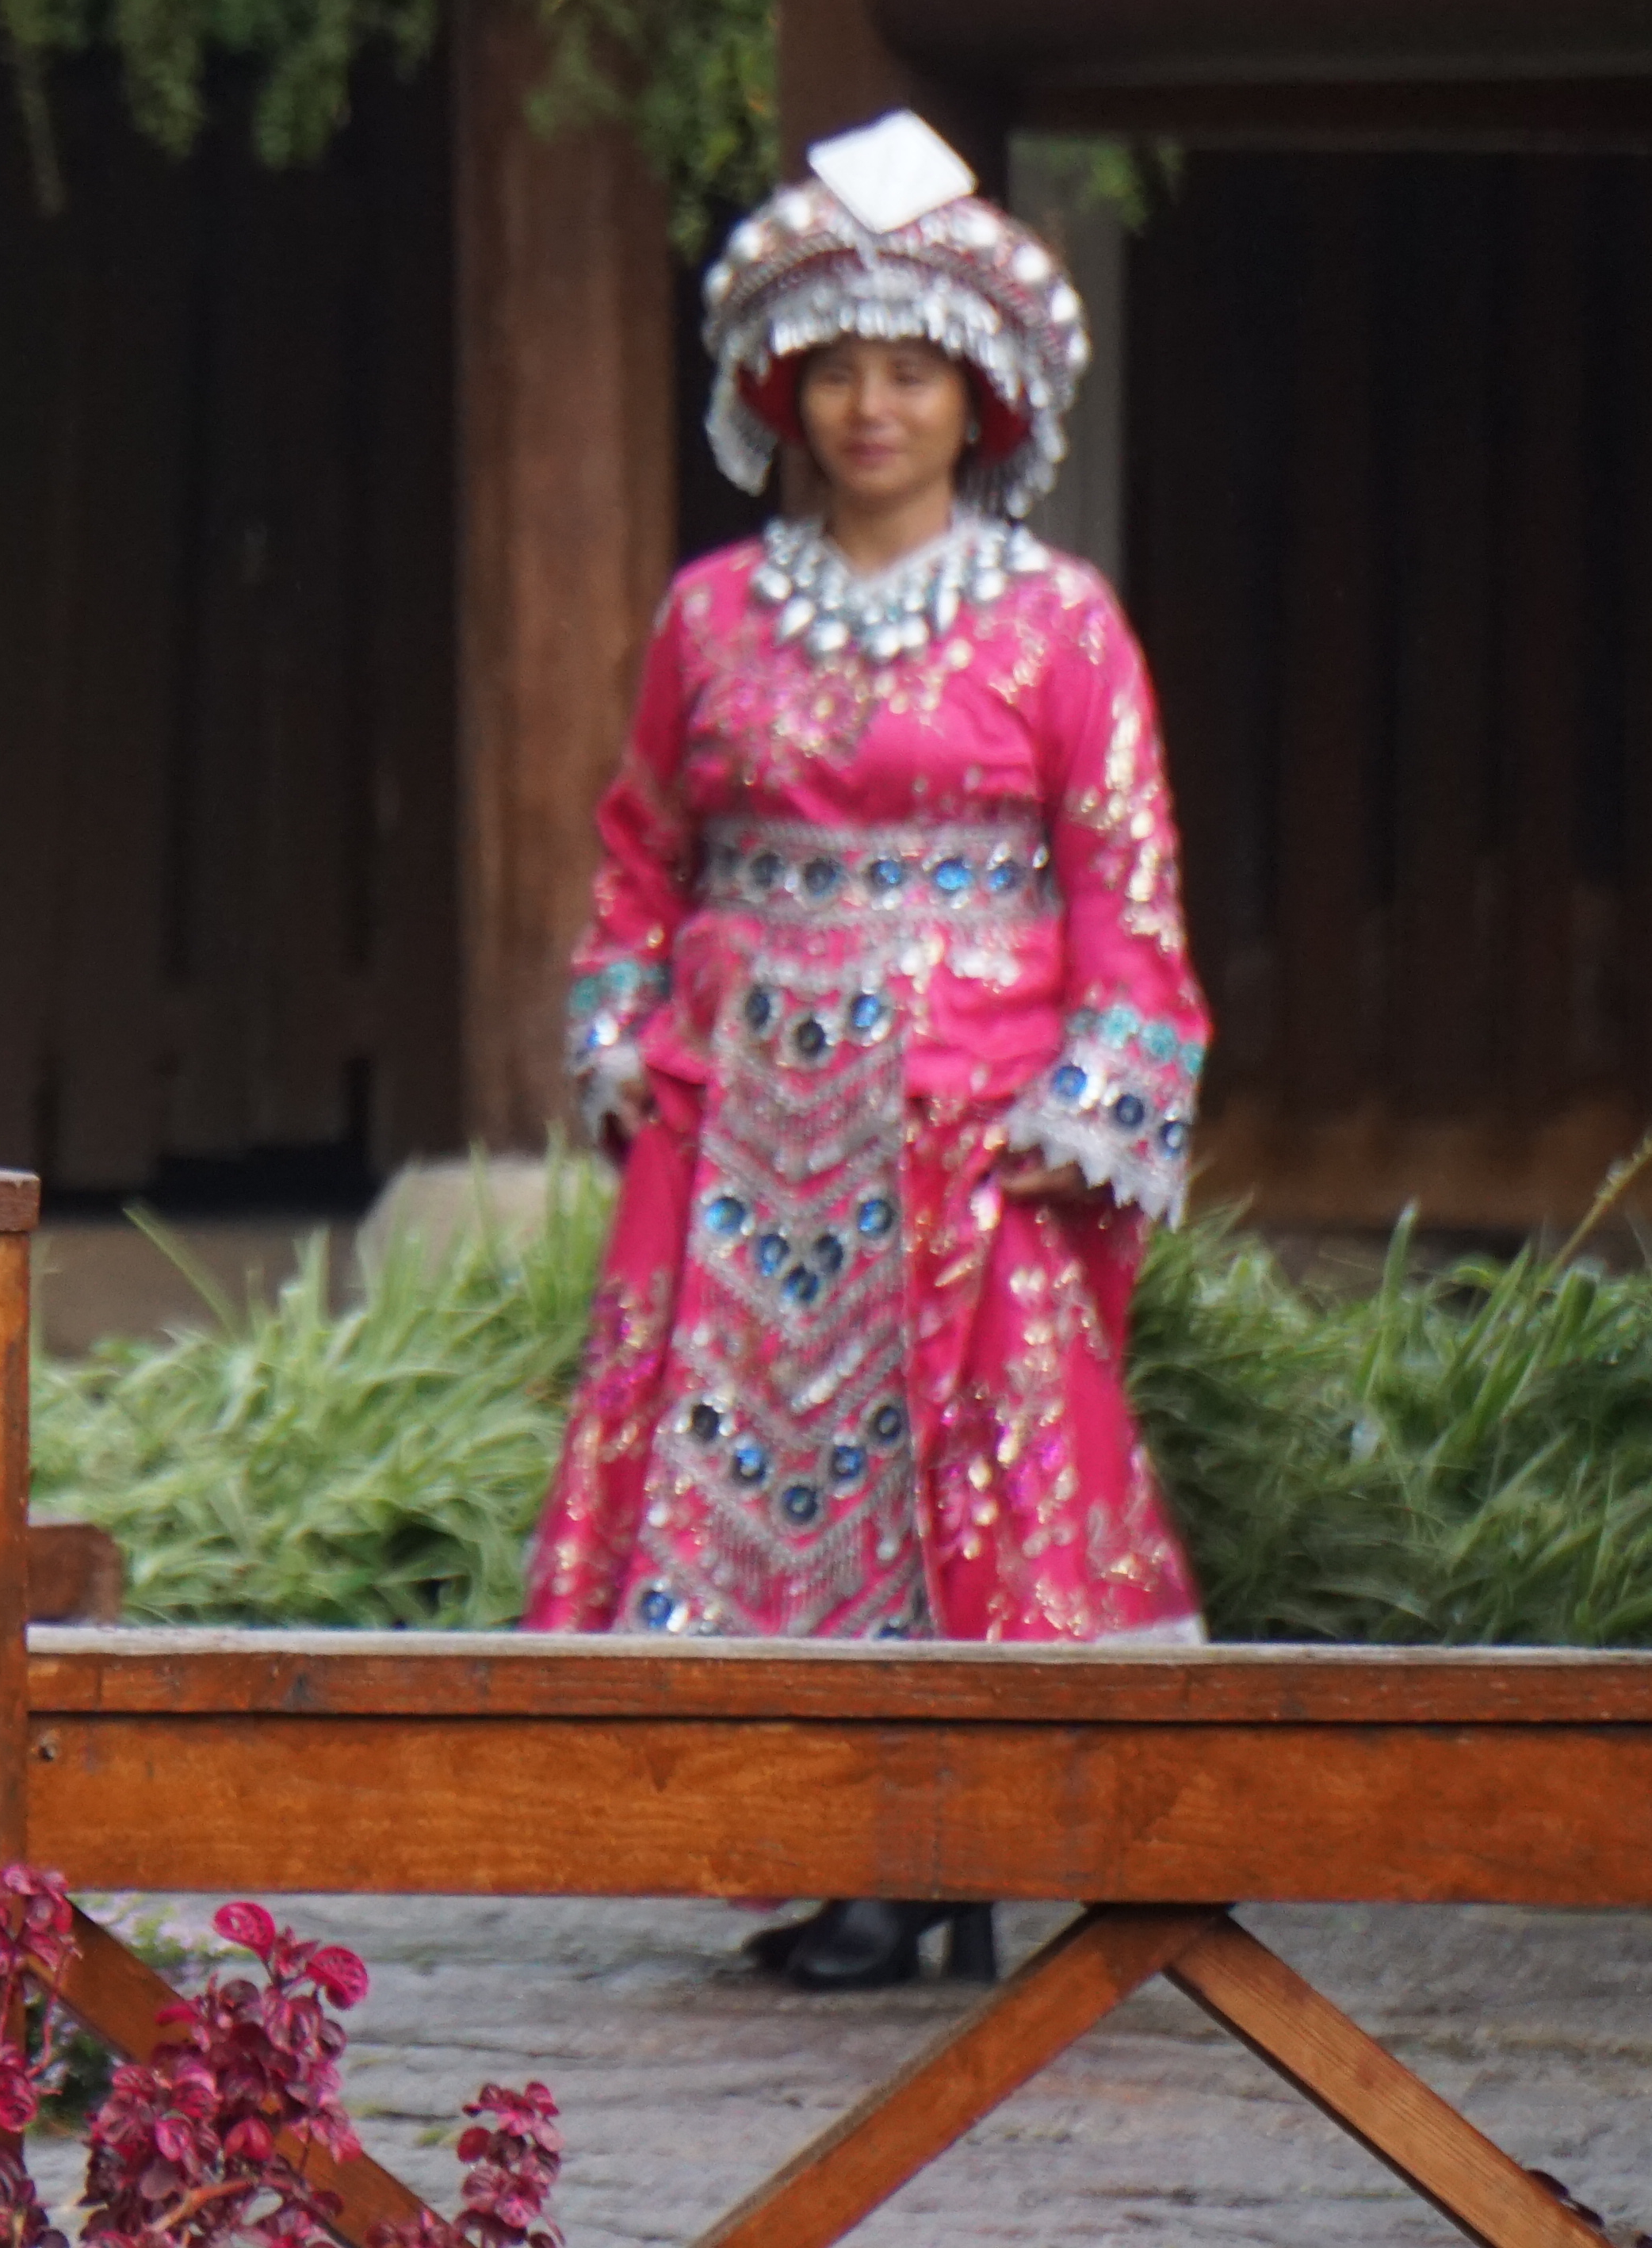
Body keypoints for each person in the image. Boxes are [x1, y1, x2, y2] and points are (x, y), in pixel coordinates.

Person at [522, 113, 1208, 1993]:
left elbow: (1126, 883)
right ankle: (833, 1841)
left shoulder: (1061, 624)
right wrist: (617, 1027)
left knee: (973, 1486)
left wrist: (1100, 1085)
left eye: (911, 370)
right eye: (840, 370)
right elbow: (638, 853)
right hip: (744, 1131)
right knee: (747, 1489)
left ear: (976, 393)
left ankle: (969, 1840)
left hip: (973, 1132)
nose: (873, 405)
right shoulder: (708, 615)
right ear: (785, 386)